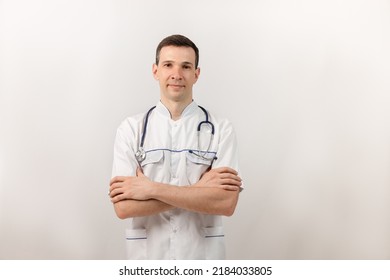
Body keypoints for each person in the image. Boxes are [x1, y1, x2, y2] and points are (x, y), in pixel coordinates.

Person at [109, 34, 243, 260]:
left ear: (196, 74)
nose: (177, 75)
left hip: (201, 258)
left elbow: (226, 203)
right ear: (155, 71)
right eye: (168, 65)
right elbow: (124, 208)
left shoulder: (221, 129)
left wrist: (149, 189)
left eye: (186, 66)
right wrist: (200, 190)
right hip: (149, 260)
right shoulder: (130, 130)